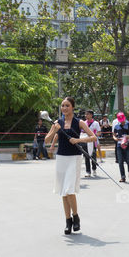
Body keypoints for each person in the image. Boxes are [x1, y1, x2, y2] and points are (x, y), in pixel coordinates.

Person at [44, 97, 98, 234]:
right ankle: (68, 221)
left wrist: (78, 140)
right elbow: (46, 139)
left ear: (73, 107)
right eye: (62, 106)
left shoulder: (78, 122)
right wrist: (54, 130)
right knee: (63, 191)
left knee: (69, 189)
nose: (64, 108)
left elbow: (93, 137)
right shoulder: (57, 122)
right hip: (61, 158)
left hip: (74, 158)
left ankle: (76, 216)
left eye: (67, 105)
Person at [112, 112, 129, 183]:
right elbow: (113, 135)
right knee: (120, 161)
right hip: (119, 145)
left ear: (124, 118)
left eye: (122, 119)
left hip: (127, 144)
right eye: (120, 120)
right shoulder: (116, 126)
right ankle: (123, 177)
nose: (121, 121)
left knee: (128, 159)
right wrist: (115, 139)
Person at [81, 109, 101, 177]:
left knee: (93, 156)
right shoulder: (83, 123)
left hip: (93, 142)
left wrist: (94, 136)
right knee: (86, 156)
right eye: (85, 114)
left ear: (91, 115)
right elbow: (81, 131)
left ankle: (94, 169)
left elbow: (99, 132)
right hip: (85, 142)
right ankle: (88, 171)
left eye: (87, 114)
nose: (86, 115)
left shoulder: (96, 123)